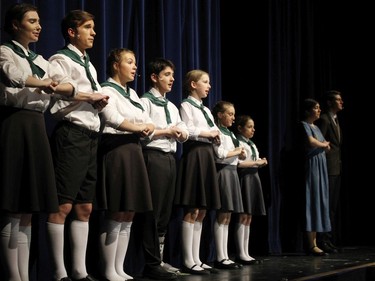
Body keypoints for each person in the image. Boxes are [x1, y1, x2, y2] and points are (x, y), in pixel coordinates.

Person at [0, 4, 107, 281]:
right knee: (16, 204)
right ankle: (23, 275)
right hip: (16, 122)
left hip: (39, 125)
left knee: (29, 208)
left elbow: (64, 87)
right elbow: (13, 76)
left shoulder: (41, 59)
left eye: (38, 22)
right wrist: (43, 83)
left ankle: (30, 275)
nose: (38, 26)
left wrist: (58, 87)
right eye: (31, 21)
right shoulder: (6, 51)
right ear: (15, 24)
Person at [99, 48, 177, 281]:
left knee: (129, 212)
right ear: (115, 65)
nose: (134, 67)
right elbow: (113, 119)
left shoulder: (132, 95)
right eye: (129, 62)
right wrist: (137, 125)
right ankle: (108, 269)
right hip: (116, 149)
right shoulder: (106, 89)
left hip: (133, 150)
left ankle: (119, 268)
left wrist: (138, 125)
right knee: (117, 210)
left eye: (135, 63)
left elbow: (148, 123)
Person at [46, 10, 109, 281]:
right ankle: (59, 273)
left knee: (85, 207)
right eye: (88, 28)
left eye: (93, 28)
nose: (93, 32)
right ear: (72, 32)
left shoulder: (89, 63)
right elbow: (55, 91)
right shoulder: (61, 59)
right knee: (63, 205)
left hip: (91, 136)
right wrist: (88, 97)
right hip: (72, 134)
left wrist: (97, 101)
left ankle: (79, 271)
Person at [140, 58, 189, 274]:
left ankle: (159, 260)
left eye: (172, 75)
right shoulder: (146, 101)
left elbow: (184, 130)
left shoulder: (170, 105)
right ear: (154, 77)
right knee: (154, 210)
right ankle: (151, 263)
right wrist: (167, 131)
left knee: (165, 212)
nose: (172, 79)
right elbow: (143, 131)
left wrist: (179, 132)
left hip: (170, 158)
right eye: (167, 75)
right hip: (153, 156)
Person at [175, 69, 221, 275]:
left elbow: (214, 130)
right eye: (205, 82)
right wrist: (208, 133)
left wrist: (216, 136)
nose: (209, 86)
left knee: (202, 210)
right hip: (195, 155)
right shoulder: (186, 105)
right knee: (192, 208)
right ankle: (187, 260)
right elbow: (188, 130)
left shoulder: (205, 110)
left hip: (207, 155)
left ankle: (197, 258)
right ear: (193, 84)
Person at [211, 101, 246, 269]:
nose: (233, 117)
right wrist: (237, 152)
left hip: (232, 172)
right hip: (223, 171)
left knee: (228, 215)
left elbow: (237, 158)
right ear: (220, 115)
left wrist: (241, 154)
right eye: (230, 114)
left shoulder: (230, 134)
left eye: (233, 114)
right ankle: (220, 257)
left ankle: (225, 255)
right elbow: (220, 154)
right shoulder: (217, 131)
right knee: (223, 214)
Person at [298, 98, 331, 256]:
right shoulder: (303, 125)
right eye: (316, 108)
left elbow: (325, 143)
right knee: (312, 200)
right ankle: (311, 244)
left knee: (320, 200)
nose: (319, 110)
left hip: (321, 165)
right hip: (312, 165)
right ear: (307, 111)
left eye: (319, 108)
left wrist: (323, 144)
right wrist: (323, 145)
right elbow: (312, 142)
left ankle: (317, 241)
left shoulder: (316, 127)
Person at [235, 115, 268, 264]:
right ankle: (240, 253)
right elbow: (239, 164)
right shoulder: (238, 143)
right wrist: (256, 162)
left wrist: (260, 162)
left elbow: (254, 160)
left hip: (254, 178)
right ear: (240, 128)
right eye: (249, 127)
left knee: (249, 217)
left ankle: (246, 252)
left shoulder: (252, 144)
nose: (253, 130)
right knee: (243, 216)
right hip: (244, 178)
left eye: (253, 127)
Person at [316, 90, 344, 253]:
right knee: (326, 205)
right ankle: (322, 239)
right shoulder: (325, 119)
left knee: (332, 205)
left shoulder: (335, 119)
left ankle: (329, 238)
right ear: (329, 102)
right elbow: (321, 142)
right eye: (338, 100)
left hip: (336, 167)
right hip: (327, 168)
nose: (341, 102)